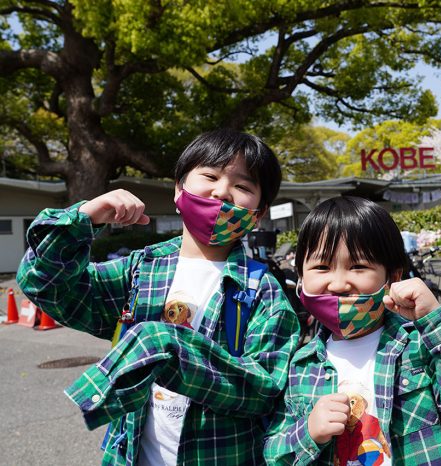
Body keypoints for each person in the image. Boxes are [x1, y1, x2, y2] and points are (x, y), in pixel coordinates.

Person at [17, 129, 300, 465]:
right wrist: (84, 219)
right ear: (179, 190)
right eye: (209, 175)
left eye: (242, 186)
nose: (222, 191)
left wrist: (168, 350)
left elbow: (264, 390)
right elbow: (45, 285)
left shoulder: (262, 292)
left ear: (258, 213)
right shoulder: (140, 270)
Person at [263, 196, 441, 465]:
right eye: (321, 267)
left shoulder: (419, 345)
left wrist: (436, 319)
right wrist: (308, 433)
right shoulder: (300, 365)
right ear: (301, 276)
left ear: (394, 276)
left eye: (358, 267)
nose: (339, 284)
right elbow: (273, 453)